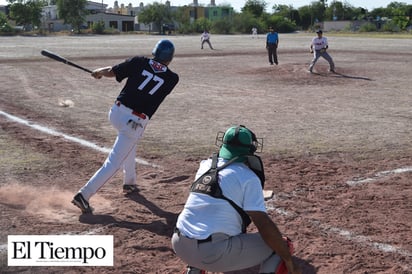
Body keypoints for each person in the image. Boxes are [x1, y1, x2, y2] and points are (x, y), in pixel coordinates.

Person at [172, 125, 301, 274]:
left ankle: (193, 270)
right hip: (211, 254)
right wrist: (288, 259)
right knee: (280, 245)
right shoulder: (248, 177)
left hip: (179, 244)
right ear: (249, 150)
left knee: (207, 225)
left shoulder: (205, 165)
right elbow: (263, 224)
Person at [71, 40, 179, 214]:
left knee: (129, 145)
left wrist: (99, 71)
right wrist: (103, 71)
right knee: (114, 162)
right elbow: (154, 76)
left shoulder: (138, 61)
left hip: (116, 113)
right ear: (170, 58)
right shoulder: (172, 79)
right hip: (135, 123)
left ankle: (129, 182)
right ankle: (84, 195)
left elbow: (113, 71)